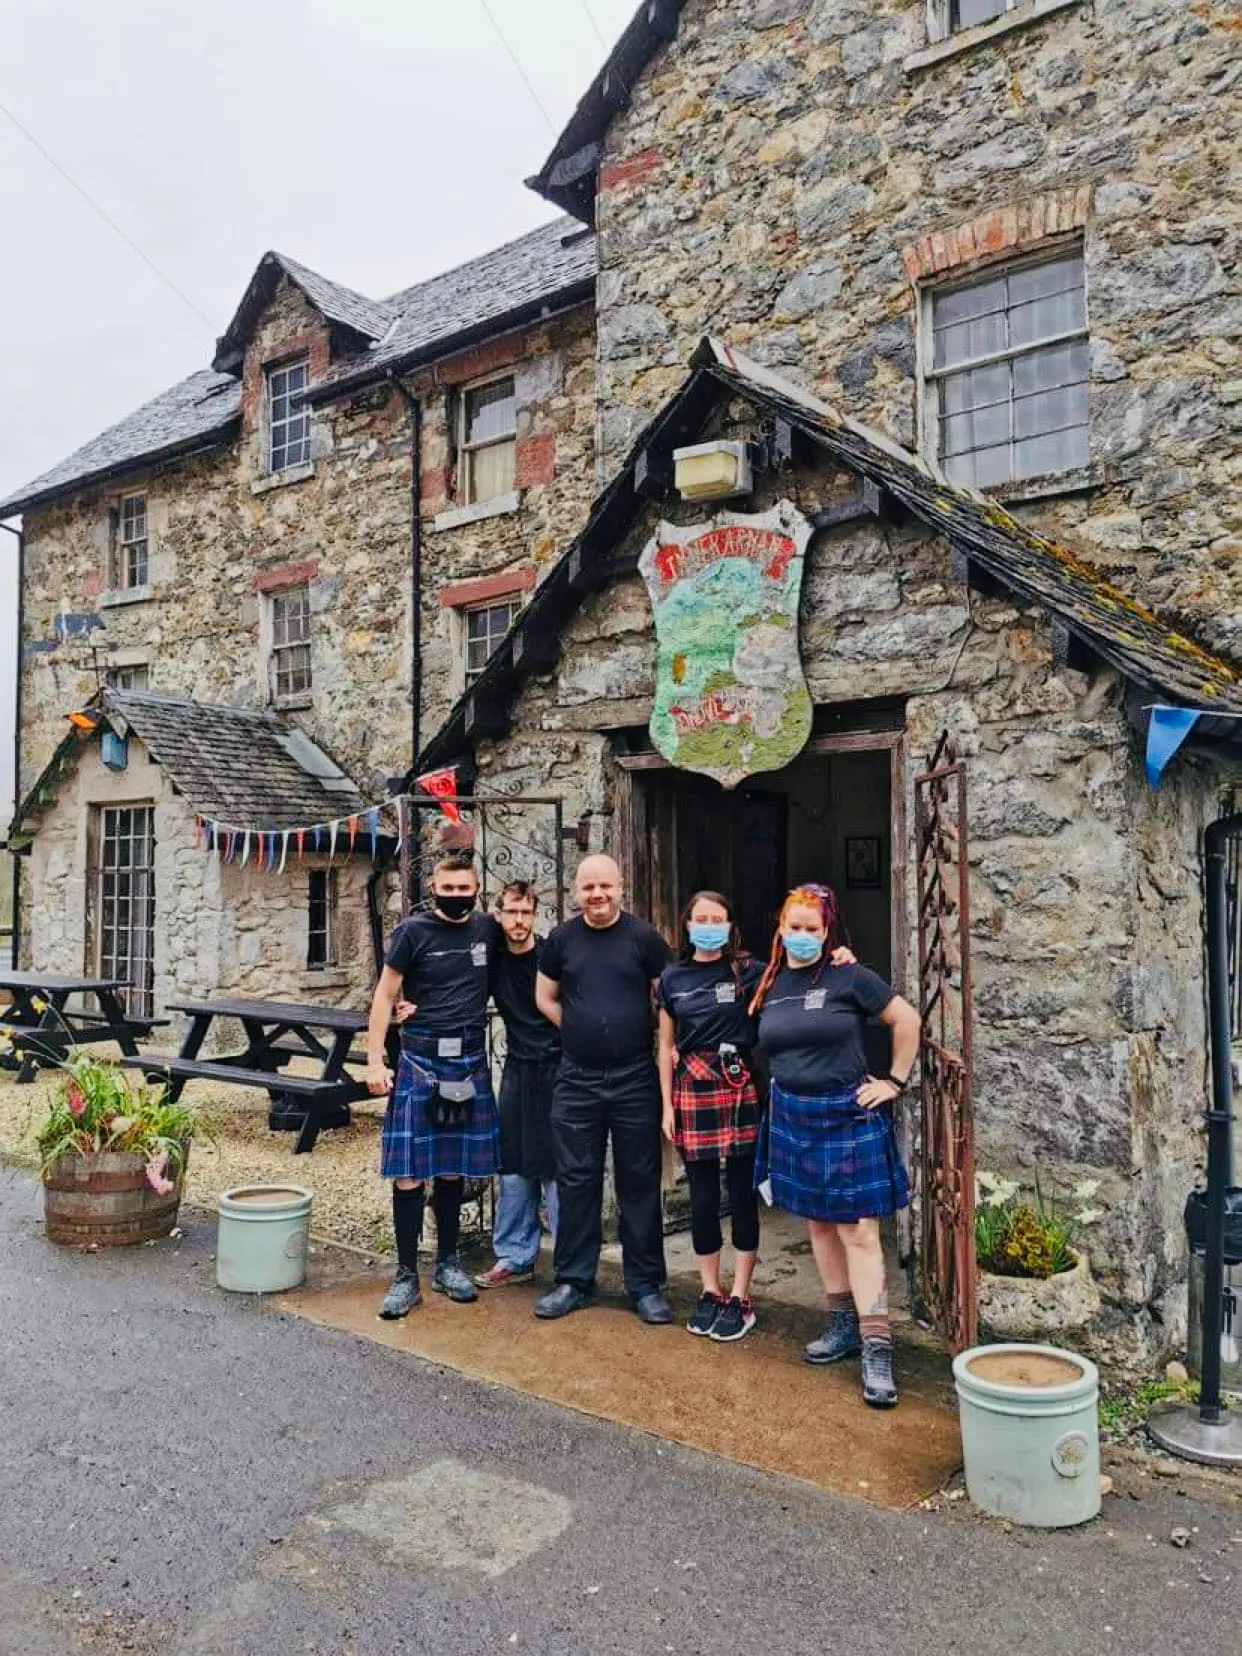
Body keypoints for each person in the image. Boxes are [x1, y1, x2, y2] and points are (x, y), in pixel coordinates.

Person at [750, 883, 920, 1409]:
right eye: (793, 928)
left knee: (859, 1230)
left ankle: (877, 1347)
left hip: (845, 1113)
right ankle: (841, 1324)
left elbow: (907, 1020)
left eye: (812, 929)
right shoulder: (770, 980)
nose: (802, 936)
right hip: (793, 1112)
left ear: (827, 933)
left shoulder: (850, 976)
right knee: (818, 1223)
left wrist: (893, 1081)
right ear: (781, 929)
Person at [533, 853, 673, 1324]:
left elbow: (665, 998)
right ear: (577, 891)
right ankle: (574, 1280)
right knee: (576, 1181)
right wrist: (574, 1027)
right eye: (589, 887)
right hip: (576, 1078)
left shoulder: (645, 938)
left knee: (639, 1180)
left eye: (605, 887)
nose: (597, 895)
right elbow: (543, 995)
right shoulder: (560, 940)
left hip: (634, 1077)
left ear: (620, 886)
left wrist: (637, 1025)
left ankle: (645, 1285)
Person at [365, 850, 500, 1319]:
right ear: (433, 890)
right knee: (408, 1171)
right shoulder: (411, 933)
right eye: (449, 889)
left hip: (467, 1059)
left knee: (450, 1169)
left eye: (465, 890)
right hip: (419, 1060)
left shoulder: (488, 929)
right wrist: (375, 1058)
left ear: (476, 890)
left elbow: (524, 950)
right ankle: (406, 1275)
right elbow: (384, 994)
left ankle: (448, 1263)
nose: (457, 897)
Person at [657, 891, 765, 1342]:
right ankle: (709, 1290)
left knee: (741, 1193)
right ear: (687, 924)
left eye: (716, 918)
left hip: (738, 1086)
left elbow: (800, 976)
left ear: (729, 925)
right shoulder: (671, 978)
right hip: (691, 1089)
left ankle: (741, 1295)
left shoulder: (748, 970)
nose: (708, 925)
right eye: (700, 918)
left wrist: (838, 954)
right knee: (702, 1197)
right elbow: (665, 1046)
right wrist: (666, 1105)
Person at [473, 880, 561, 1290]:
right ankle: (514, 1255)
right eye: (512, 912)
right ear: (499, 914)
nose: (519, 920)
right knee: (512, 1162)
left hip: (558, 1066)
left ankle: (568, 1260)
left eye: (526, 912)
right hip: (518, 1069)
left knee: (559, 1164)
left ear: (535, 914)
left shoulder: (551, 957)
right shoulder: (492, 960)